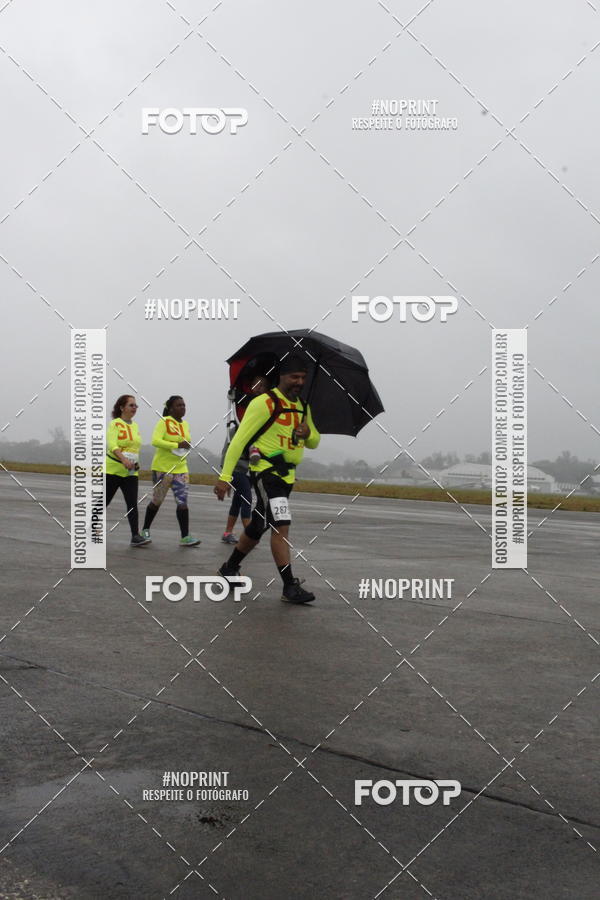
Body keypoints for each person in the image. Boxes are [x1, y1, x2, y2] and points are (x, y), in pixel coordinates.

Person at [214, 356, 320, 603]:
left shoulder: (304, 407)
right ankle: (288, 586)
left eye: (303, 378)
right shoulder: (264, 403)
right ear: (281, 377)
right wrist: (224, 477)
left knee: (258, 525)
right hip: (266, 473)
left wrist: (308, 432)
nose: (299, 382)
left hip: (288, 475)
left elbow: (314, 442)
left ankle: (229, 568)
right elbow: (238, 441)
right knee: (280, 525)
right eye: (294, 377)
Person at [141, 396, 201, 546]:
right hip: (162, 469)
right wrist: (176, 444)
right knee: (157, 501)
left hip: (181, 469)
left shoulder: (185, 424)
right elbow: (155, 441)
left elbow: (186, 441)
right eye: (179, 405)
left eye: (184, 405)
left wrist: (186, 445)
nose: (183, 407)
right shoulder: (164, 422)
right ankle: (145, 530)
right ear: (171, 408)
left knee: (182, 502)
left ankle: (185, 537)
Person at [220, 374, 269, 544]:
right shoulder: (238, 426)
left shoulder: (266, 404)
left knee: (238, 501)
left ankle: (228, 533)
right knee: (247, 500)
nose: (259, 388)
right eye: (256, 385)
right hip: (237, 469)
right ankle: (249, 536)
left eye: (263, 385)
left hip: (249, 469)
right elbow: (226, 451)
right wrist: (224, 475)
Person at [105, 395, 150, 547]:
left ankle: (135, 536)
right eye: (131, 405)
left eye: (136, 406)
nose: (134, 408)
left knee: (132, 503)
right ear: (122, 407)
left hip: (130, 472)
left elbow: (134, 448)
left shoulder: (135, 426)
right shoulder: (115, 424)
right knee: (105, 500)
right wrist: (123, 459)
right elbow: (112, 444)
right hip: (113, 470)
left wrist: (134, 463)